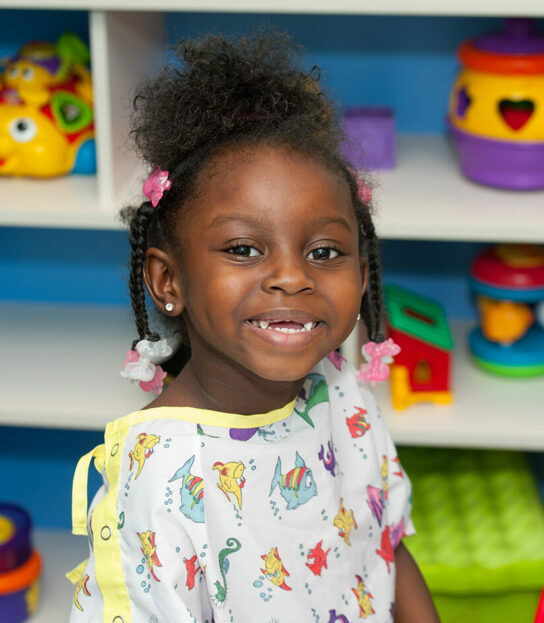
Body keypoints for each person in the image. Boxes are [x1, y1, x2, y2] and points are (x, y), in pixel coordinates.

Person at [67, 29, 440, 623]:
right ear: (169, 282)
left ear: (365, 277)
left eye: (324, 252)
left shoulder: (343, 393)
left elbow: (385, 547)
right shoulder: (161, 483)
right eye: (243, 248)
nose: (292, 277)